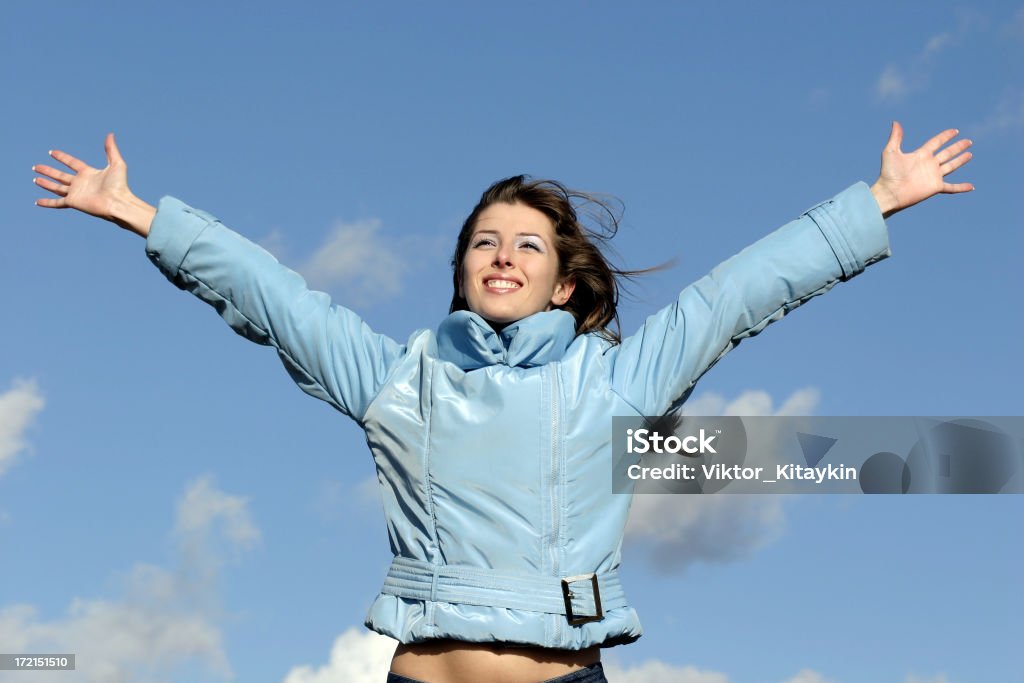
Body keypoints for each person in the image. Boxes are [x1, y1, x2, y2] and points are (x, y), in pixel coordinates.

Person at [32, 123, 973, 683]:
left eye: (528, 245)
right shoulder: (398, 379)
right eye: (485, 241)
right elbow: (278, 301)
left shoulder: (616, 382)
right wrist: (145, 215)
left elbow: (733, 296)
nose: (503, 255)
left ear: (565, 283)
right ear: (460, 272)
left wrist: (875, 202)